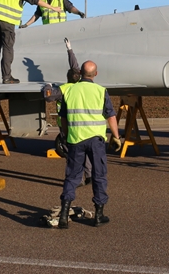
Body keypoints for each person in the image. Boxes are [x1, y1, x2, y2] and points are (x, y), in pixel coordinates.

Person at [56, 60, 121, 228]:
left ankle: (64, 214)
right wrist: (116, 136)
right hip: (96, 140)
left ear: (81, 74)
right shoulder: (101, 91)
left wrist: (65, 135)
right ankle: (99, 215)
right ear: (95, 74)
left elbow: (63, 117)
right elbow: (111, 116)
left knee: (72, 176)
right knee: (99, 175)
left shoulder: (70, 90)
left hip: (75, 139)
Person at [42, 38, 91, 187]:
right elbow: (75, 68)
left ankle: (77, 180)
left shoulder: (63, 90)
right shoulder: (82, 86)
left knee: (73, 155)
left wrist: (47, 86)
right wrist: (70, 50)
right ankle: (89, 175)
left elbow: (48, 96)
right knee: (85, 153)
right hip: (83, 126)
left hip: (67, 128)